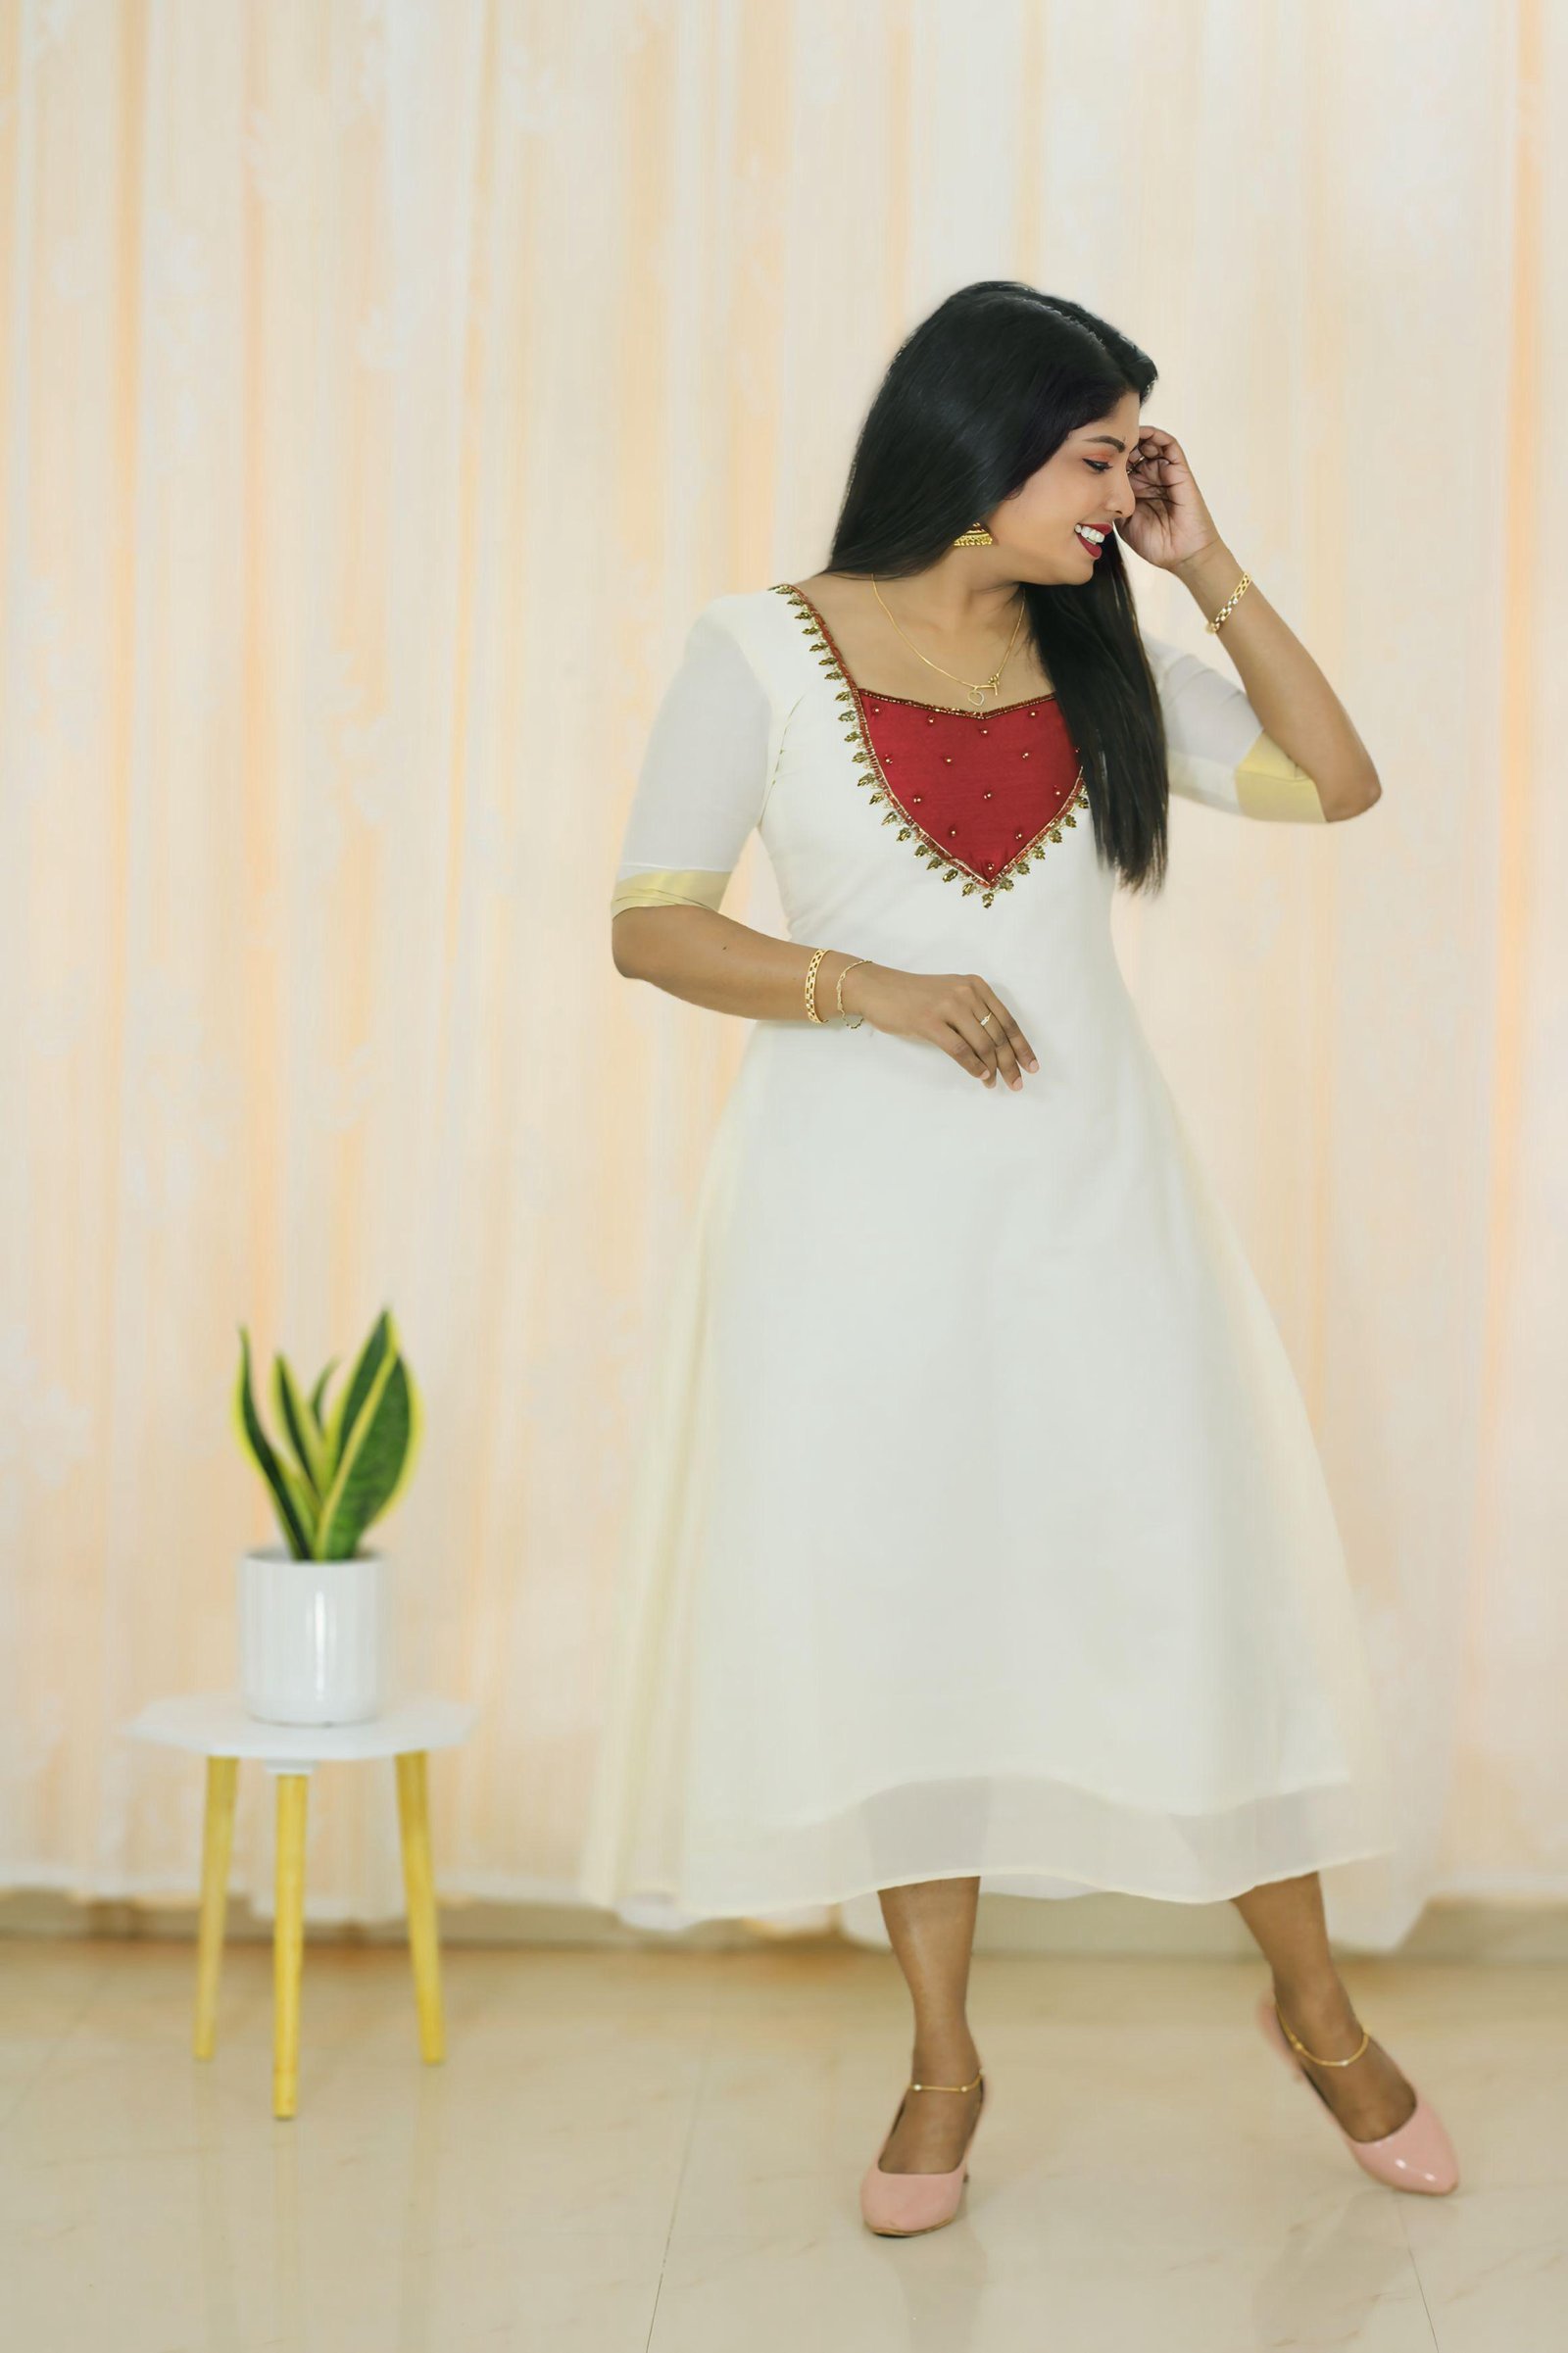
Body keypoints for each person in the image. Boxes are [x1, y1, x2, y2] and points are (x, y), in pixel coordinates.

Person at [579, 281, 1458, 2231]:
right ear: (977, 452)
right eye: (1095, 456)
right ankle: (941, 2059)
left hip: (1090, 1200)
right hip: (850, 1220)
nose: (1120, 490)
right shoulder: (758, 649)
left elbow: (1337, 779)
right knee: (908, 1606)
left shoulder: (1104, 655)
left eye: (1139, 457)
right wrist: (870, 986)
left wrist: (1201, 561)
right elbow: (651, 923)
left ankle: (1315, 2012)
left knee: (1185, 1581)